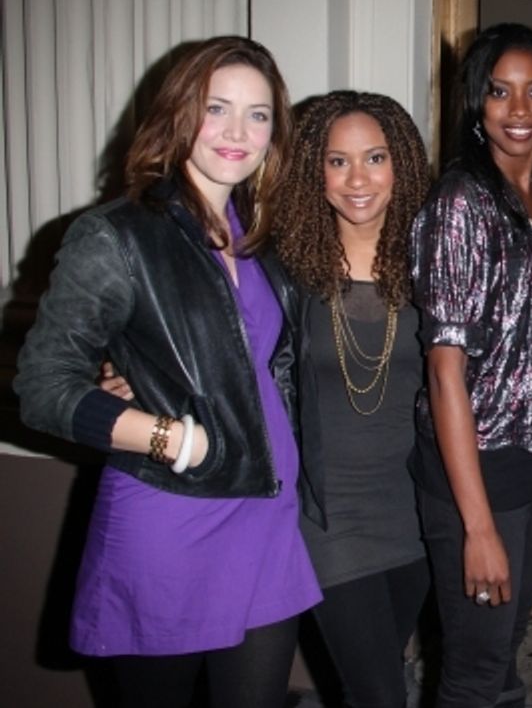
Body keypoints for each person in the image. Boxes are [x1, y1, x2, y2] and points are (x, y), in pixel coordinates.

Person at [14, 36, 321, 708]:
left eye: (259, 114)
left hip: (266, 520)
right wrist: (172, 439)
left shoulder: (258, 237)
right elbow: (39, 386)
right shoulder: (117, 236)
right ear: (180, 113)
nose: (239, 132)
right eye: (218, 108)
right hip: (170, 524)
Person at [409, 22, 532, 707]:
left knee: (503, 653)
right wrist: (477, 527)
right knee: (475, 670)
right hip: (477, 475)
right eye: (500, 91)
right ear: (476, 103)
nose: (518, 109)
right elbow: (445, 371)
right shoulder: (459, 204)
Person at [273, 91, 431, 708]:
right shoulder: (282, 270)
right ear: (315, 171)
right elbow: (215, 345)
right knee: (379, 694)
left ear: (403, 166)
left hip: (417, 506)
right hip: (328, 514)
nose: (358, 179)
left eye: (375, 158)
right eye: (337, 161)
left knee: (379, 674)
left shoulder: (433, 265)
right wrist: (133, 374)